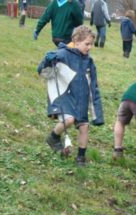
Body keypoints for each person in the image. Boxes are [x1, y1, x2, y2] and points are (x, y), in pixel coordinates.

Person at [37, 25, 104, 166]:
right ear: (76, 41)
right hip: (64, 96)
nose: (90, 47)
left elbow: (94, 87)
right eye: (87, 44)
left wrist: (97, 113)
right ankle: (53, 137)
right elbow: (44, 72)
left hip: (82, 99)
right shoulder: (62, 55)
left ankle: (80, 157)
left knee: (84, 127)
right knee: (69, 120)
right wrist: (47, 61)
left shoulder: (89, 62)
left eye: (91, 44)